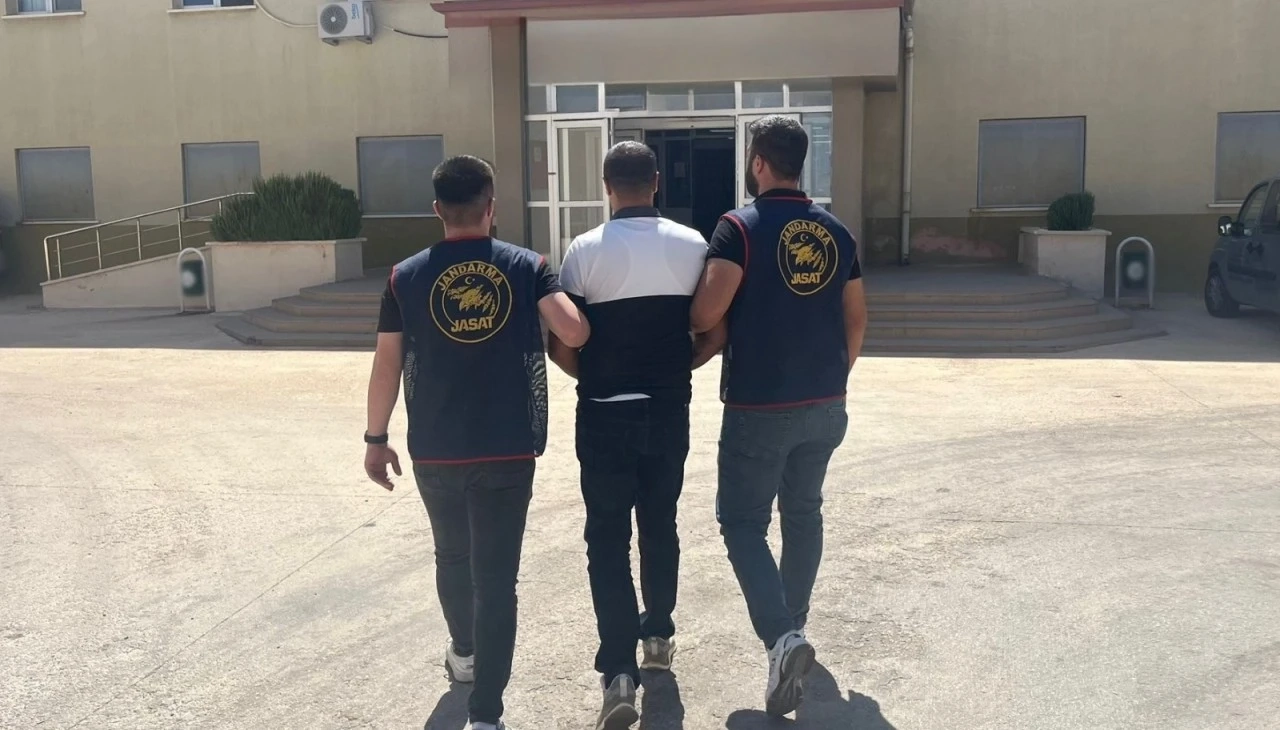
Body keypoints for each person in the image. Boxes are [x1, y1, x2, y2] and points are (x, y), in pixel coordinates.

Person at [363, 155, 590, 730]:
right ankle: (486, 712)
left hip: (434, 448)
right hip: (507, 446)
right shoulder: (526, 265)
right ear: (492, 207)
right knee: (496, 579)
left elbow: (387, 361)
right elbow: (573, 330)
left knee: (452, 556)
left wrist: (375, 438)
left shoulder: (404, 276)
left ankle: (463, 653)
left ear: (437, 209)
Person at [689, 116, 869, 718]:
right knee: (803, 512)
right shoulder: (837, 232)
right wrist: (834, 380)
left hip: (759, 406)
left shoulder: (739, 227)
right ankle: (794, 626)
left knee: (742, 522)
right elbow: (856, 318)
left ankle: (782, 638)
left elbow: (705, 311)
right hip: (826, 402)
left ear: (759, 162)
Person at [548, 141, 724, 730]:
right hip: (669, 411)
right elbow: (715, 330)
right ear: (655, 183)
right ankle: (658, 637)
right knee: (659, 523)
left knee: (606, 538)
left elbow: (562, 345)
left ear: (606, 187)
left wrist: (598, 377)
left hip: (604, 413)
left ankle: (618, 672)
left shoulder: (583, 251)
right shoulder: (693, 245)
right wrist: (680, 369)